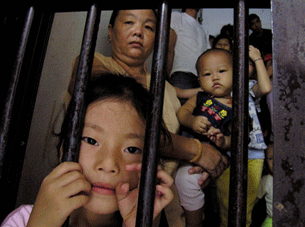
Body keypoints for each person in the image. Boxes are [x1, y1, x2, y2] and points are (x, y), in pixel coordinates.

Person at [68, 9, 228, 226]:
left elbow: (176, 142)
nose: (138, 32)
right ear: (110, 31)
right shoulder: (92, 63)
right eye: (129, 22)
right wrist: (196, 151)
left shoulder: (167, 90)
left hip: (156, 208)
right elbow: (130, 126)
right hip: (97, 202)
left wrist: (198, 167)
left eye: (149, 27)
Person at [1, 74, 174, 227]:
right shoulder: (24, 220)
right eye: (91, 140)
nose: (108, 164)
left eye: (131, 149)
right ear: (65, 149)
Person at [214, 45, 272, 227]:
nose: (244, 66)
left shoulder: (249, 87)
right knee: (225, 201)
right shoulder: (221, 88)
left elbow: (266, 87)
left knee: (246, 204)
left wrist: (257, 58)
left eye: (249, 64)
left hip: (253, 152)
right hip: (226, 151)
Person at [175, 49, 233, 227]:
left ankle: (194, 223)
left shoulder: (238, 107)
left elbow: (238, 138)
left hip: (207, 162)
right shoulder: (199, 97)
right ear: (199, 80)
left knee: (187, 180)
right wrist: (192, 121)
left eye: (221, 71)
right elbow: (182, 112)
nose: (215, 78)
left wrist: (223, 141)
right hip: (184, 151)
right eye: (207, 74)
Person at [167, 8, 211, 104]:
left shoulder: (204, 30)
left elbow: (207, 58)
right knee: (178, 114)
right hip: (181, 75)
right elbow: (169, 48)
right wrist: (167, 78)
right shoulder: (177, 17)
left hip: (200, 80)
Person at [256, 142, 273, 227]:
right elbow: (254, 200)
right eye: (270, 158)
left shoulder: (292, 179)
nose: (274, 162)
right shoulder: (267, 180)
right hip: (272, 219)